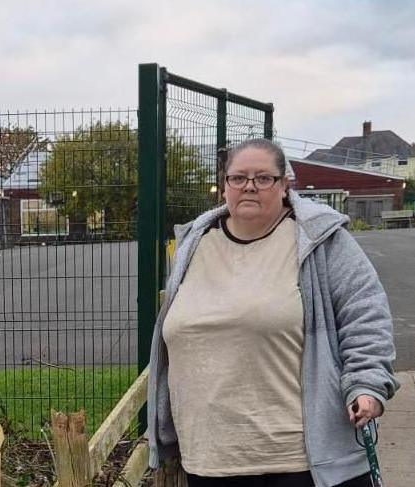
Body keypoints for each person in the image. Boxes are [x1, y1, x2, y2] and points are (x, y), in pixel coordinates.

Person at [146, 138, 399, 487]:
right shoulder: (195, 244)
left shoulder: (320, 241)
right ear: (224, 187)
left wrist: (366, 384)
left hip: (298, 459)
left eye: (263, 178)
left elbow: (365, 317)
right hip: (209, 458)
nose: (249, 186)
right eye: (238, 178)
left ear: (283, 186)